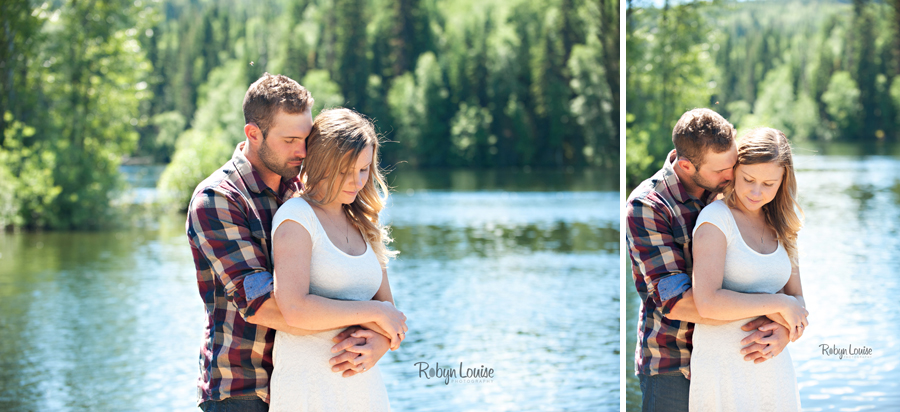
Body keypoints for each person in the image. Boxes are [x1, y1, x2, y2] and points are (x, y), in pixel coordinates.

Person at [187, 73, 394, 411]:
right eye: (289, 140)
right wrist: (377, 319)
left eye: (306, 137)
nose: (302, 151)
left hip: (312, 380)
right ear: (254, 134)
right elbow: (266, 306)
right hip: (243, 388)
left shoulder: (305, 191)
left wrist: (382, 338)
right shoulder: (218, 200)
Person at [625, 108, 793, 412]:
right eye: (722, 171)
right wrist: (778, 307)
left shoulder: (729, 189)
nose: (731, 177)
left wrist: (785, 329)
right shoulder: (647, 207)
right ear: (688, 166)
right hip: (672, 362)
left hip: (734, 359)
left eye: (734, 165)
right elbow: (679, 303)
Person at [267, 107, 406, 411]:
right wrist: (372, 313)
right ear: (320, 161)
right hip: (310, 391)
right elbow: (292, 308)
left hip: (365, 394)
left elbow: (390, 315)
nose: (356, 181)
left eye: (364, 169)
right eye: (345, 171)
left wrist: (381, 344)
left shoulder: (364, 222)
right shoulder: (296, 218)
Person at [688, 127, 805, 411]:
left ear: (783, 181)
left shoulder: (783, 225)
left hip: (774, 373)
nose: (756, 191)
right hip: (724, 372)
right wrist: (778, 304)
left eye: (769, 184)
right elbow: (706, 302)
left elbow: (798, 303)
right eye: (748, 179)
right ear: (734, 170)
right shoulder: (716, 220)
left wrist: (785, 334)